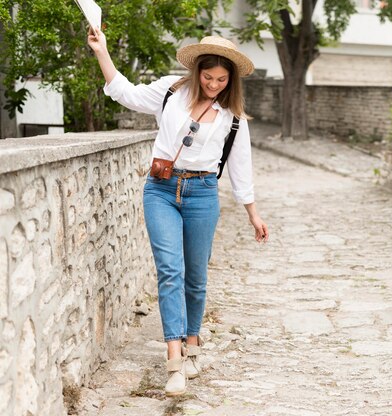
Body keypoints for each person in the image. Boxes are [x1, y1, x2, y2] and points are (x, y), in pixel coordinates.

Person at [87, 28, 269, 396]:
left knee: (196, 278)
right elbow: (126, 93)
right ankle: (175, 361)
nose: (214, 84)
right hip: (161, 190)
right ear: (197, 69)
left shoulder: (231, 116)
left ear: (231, 79)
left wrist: (252, 213)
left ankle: (194, 341)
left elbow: (240, 167)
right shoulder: (171, 91)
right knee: (170, 270)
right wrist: (102, 51)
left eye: (221, 79)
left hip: (203, 194)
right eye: (208, 77)